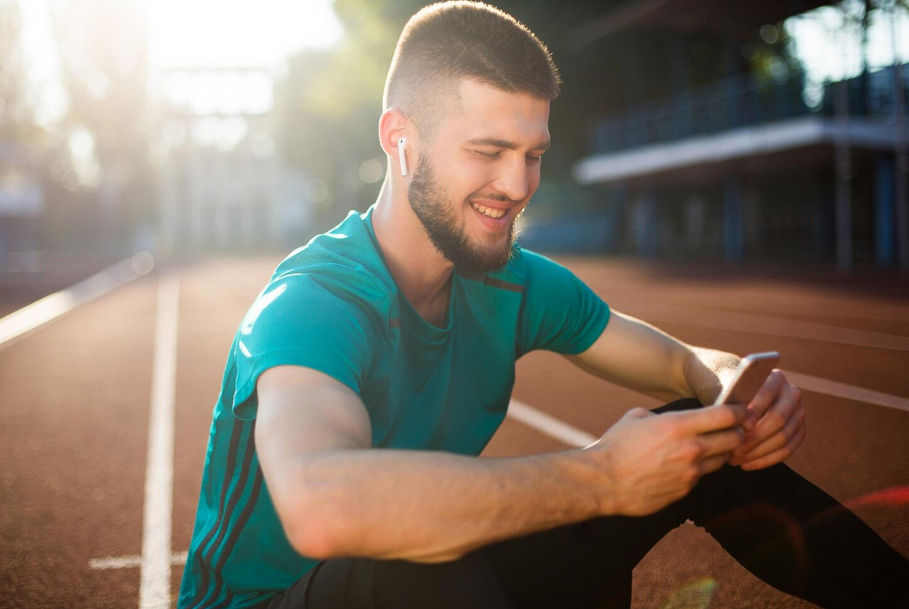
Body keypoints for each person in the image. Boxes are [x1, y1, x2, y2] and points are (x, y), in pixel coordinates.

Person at [177, 2, 909, 608]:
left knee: (698, 443)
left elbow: (679, 363)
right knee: (413, 568)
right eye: (488, 150)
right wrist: (602, 479)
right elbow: (323, 508)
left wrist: (733, 388)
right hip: (279, 598)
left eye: (532, 154)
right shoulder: (314, 302)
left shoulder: (507, 280)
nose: (518, 184)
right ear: (400, 140)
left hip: (428, 575)